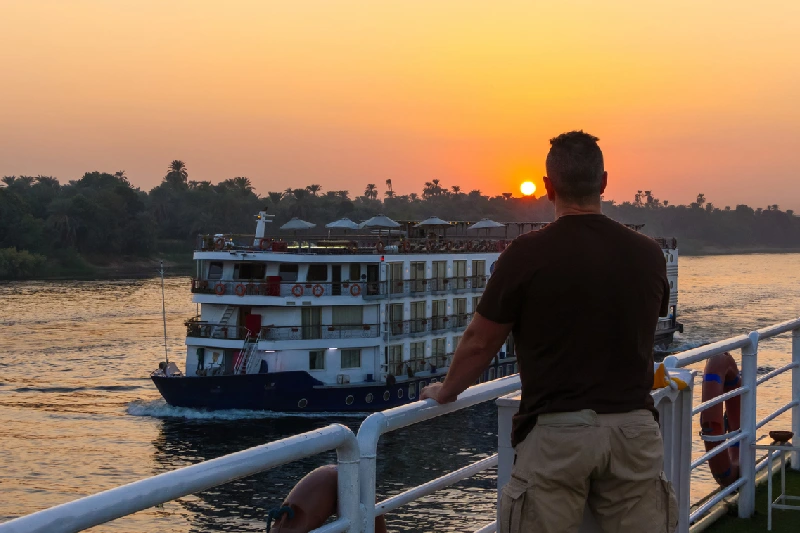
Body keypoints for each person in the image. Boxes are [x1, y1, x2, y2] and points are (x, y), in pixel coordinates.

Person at [421, 131, 677, 532]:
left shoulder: (526, 254)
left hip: (557, 434)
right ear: (603, 182)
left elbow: (480, 341)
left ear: (548, 187)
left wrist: (446, 390)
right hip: (633, 430)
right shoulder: (648, 254)